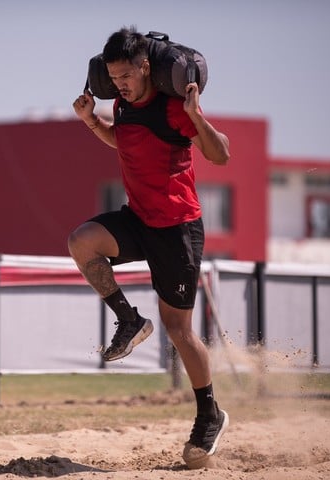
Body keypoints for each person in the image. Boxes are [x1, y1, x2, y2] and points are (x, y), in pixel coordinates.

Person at [68, 27, 230, 469]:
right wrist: (91, 121)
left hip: (178, 228)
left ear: (144, 67)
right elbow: (125, 142)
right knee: (81, 241)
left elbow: (221, 155)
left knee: (179, 330)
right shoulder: (121, 105)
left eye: (125, 75)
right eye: (112, 76)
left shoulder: (176, 108)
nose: (118, 83)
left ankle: (209, 413)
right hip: (138, 218)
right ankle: (128, 320)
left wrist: (197, 116)